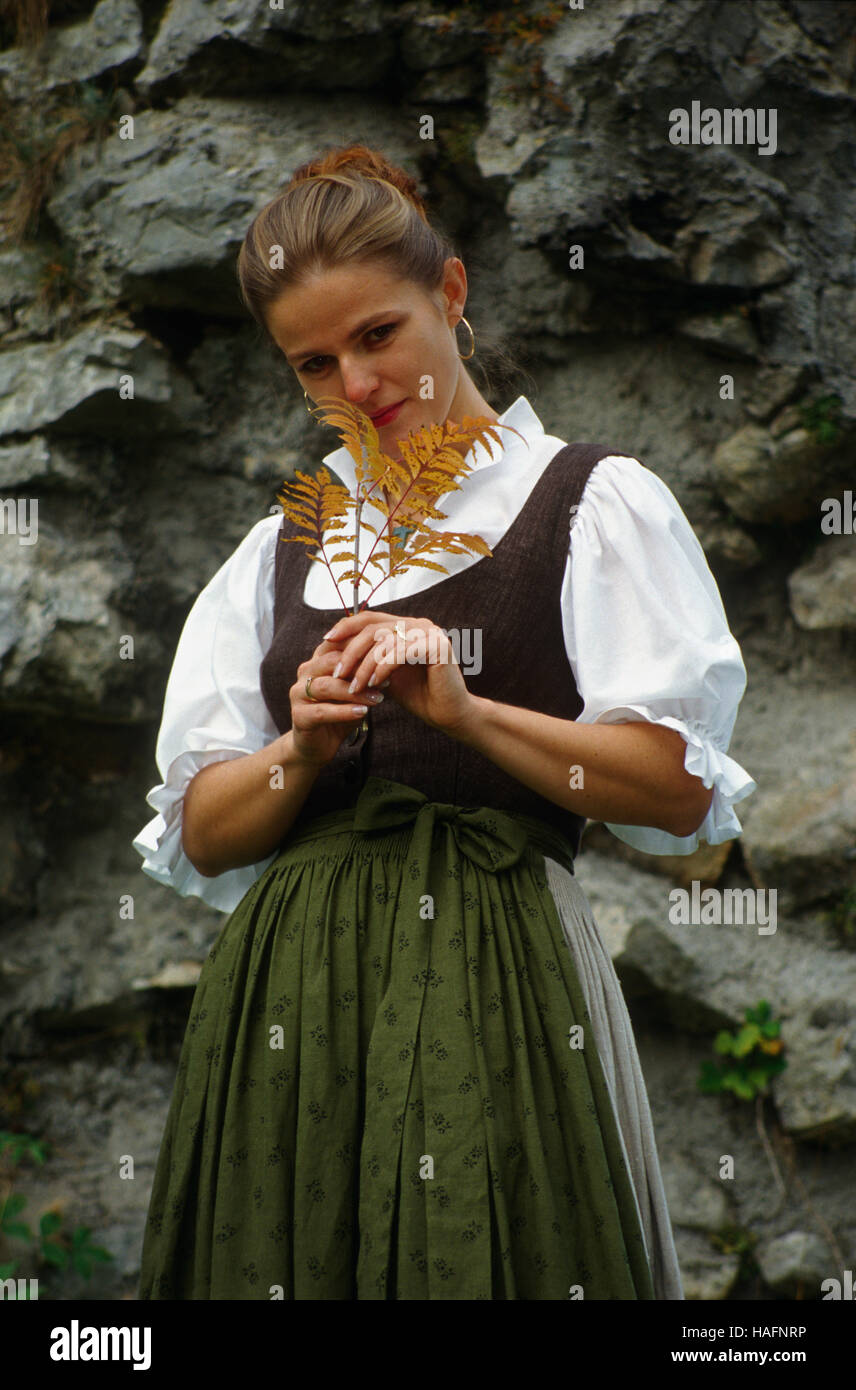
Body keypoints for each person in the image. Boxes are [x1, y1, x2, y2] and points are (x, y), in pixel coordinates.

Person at [132, 144, 756, 1301]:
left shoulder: (590, 499)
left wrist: (469, 714)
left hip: (501, 975)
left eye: (378, 336)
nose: (355, 386)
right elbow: (208, 837)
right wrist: (299, 750)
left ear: (452, 296)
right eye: (312, 364)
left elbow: (674, 789)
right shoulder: (276, 547)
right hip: (295, 1000)